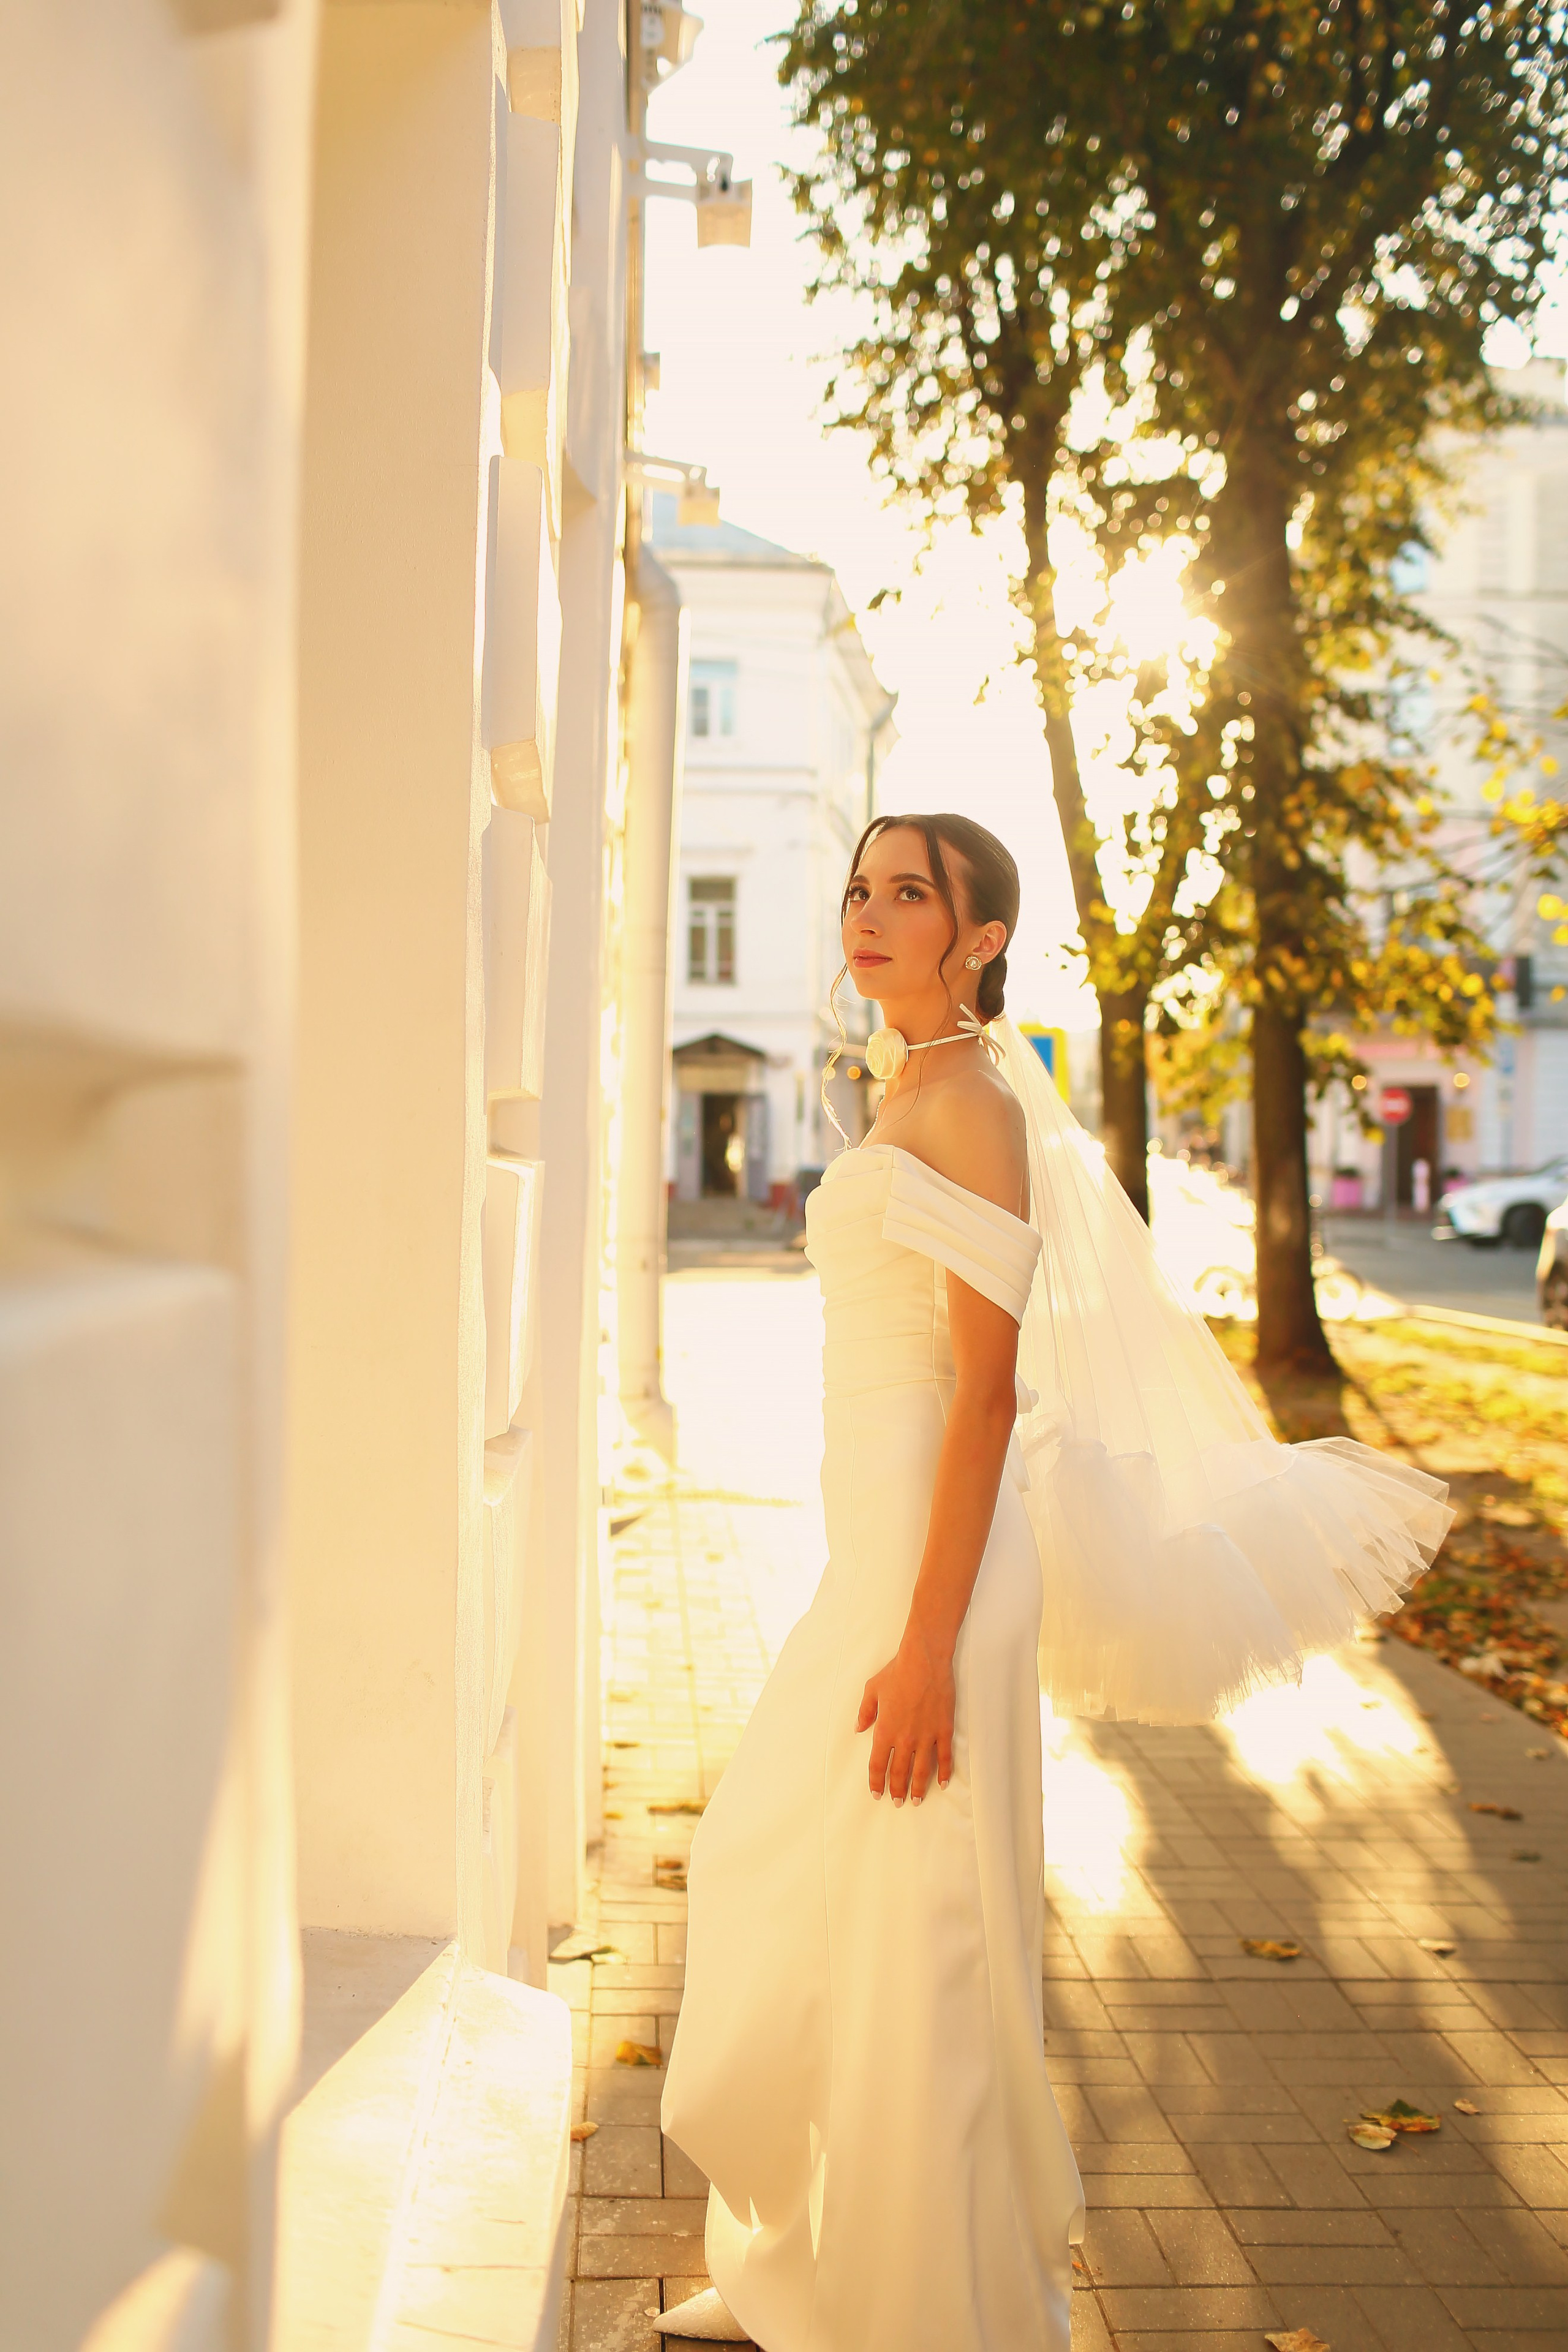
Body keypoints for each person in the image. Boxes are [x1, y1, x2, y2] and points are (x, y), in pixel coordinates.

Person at [657, 815, 1452, 2352]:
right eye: (860, 888)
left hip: (934, 1573)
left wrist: (924, 1644)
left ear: (979, 939)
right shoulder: (912, 1086)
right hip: (883, 1549)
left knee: (916, 1936)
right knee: (815, 1891)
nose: (867, 912)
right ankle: (802, 2269)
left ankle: (923, 2307)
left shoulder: (970, 1105)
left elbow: (979, 1395)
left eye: (908, 893)